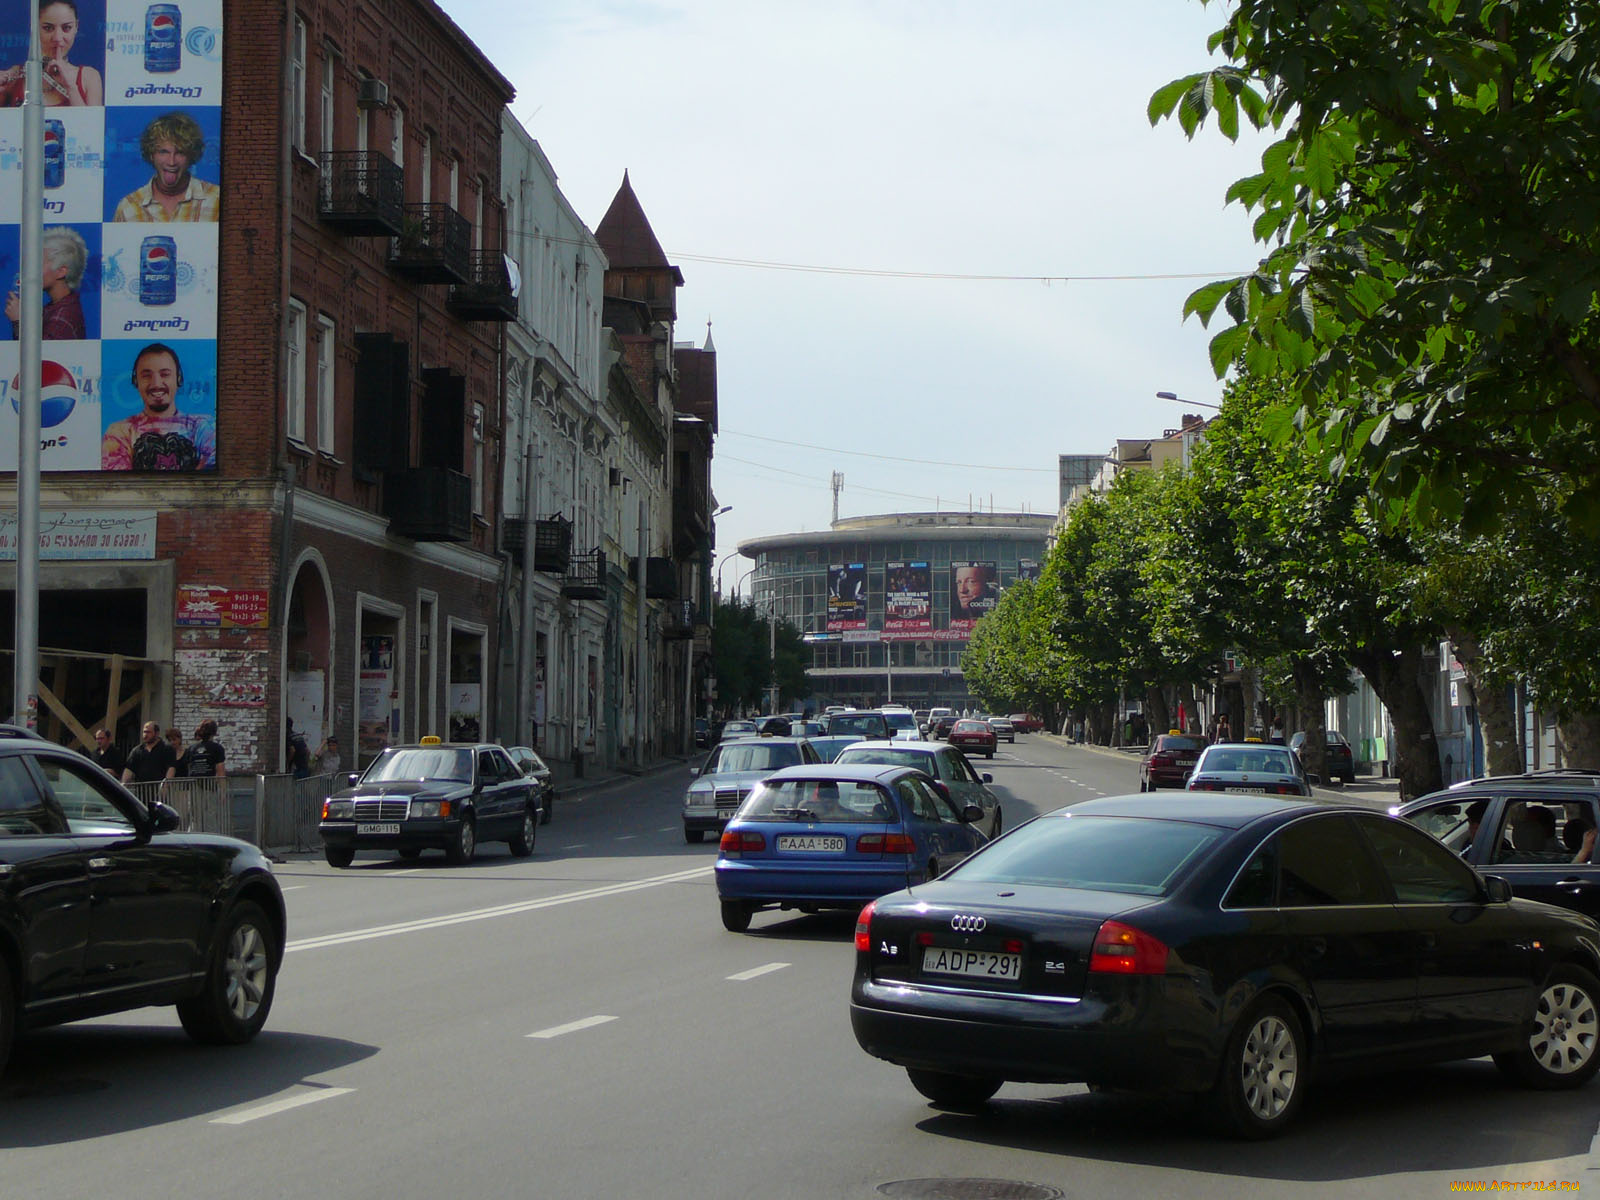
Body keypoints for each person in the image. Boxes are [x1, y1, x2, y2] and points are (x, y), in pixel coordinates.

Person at [101, 343, 216, 471]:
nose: (156, 384)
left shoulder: (202, 426)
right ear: (136, 381)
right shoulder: (120, 431)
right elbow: (118, 481)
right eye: (146, 376)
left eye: (165, 374)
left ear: (178, 379)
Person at [112, 111, 222, 223]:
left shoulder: (216, 200)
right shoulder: (128, 208)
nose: (171, 162)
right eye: (163, 152)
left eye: (180, 152)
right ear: (151, 155)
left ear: (191, 156)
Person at [0, 1, 104, 107]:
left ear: (76, 26)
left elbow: (90, 118)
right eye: (48, 28)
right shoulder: (15, 75)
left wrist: (71, 87)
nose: (57, 38)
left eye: (66, 28)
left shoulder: (88, 77)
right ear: (34, 28)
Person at [6, 226, 89, 341]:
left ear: (61, 272)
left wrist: (18, 321)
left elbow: (41, 352)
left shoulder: (62, 319)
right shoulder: (58, 308)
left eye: (38, 264)